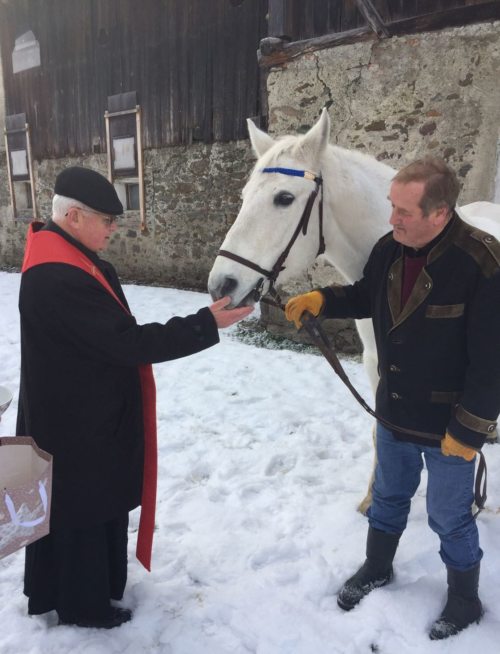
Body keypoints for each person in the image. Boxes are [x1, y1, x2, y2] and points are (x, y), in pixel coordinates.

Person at [17, 166, 252, 629]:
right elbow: (125, 343)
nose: (114, 228)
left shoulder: (67, 252)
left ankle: (93, 587)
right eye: (106, 219)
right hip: (75, 423)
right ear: (75, 216)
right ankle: (83, 605)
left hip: (79, 410)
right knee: (81, 510)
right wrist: (205, 324)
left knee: (94, 504)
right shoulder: (58, 276)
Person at [285, 157, 500, 640]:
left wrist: (469, 430)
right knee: (386, 499)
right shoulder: (391, 249)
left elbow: (492, 362)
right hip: (395, 411)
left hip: (448, 426)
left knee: (449, 518)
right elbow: (367, 295)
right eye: (392, 207)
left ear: (440, 213)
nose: (392, 219)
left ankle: (465, 598)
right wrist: (324, 299)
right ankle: (377, 566)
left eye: (404, 211)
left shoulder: (482, 263)